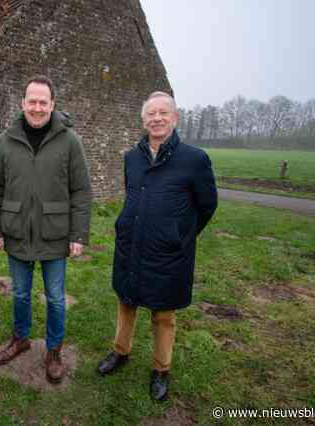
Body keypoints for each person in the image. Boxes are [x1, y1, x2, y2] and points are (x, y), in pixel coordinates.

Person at [96, 92, 217, 401]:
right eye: (151, 113)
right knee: (126, 301)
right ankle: (120, 352)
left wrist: (179, 234)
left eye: (164, 113)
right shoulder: (131, 158)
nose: (157, 118)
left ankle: (161, 369)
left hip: (169, 252)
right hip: (131, 245)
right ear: (143, 120)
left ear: (174, 119)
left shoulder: (194, 159)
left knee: (163, 313)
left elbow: (206, 206)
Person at [0, 75, 92, 384]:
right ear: (22, 104)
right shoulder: (6, 140)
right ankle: (20, 339)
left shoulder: (70, 140)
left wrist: (78, 235)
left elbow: (81, 191)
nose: (37, 107)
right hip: (16, 231)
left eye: (42, 102)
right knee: (19, 292)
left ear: (52, 105)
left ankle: (54, 351)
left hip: (54, 233)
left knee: (56, 298)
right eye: (31, 101)